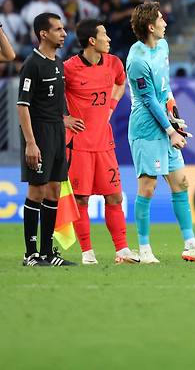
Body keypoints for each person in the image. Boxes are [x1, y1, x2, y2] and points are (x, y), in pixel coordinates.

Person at [126, 1, 195, 263]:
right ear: (150, 26)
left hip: (166, 126)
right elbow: (148, 100)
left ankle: (190, 246)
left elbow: (165, 90)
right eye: (161, 19)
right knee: (147, 188)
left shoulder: (163, 46)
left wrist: (176, 119)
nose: (166, 22)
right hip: (146, 129)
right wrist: (170, 130)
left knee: (181, 183)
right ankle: (144, 250)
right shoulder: (136, 60)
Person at [63, 19, 140, 265]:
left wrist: (111, 106)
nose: (109, 39)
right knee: (81, 200)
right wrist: (63, 118)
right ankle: (87, 254)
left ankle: (123, 251)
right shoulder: (68, 68)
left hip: (105, 144)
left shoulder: (114, 63)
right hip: (79, 146)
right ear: (92, 41)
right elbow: (45, 95)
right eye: (104, 35)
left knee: (115, 197)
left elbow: (121, 81)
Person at [17, 12, 74, 266]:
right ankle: (31, 254)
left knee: (53, 190)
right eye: (59, 30)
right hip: (38, 133)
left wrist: (65, 119)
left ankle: (48, 252)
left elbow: (58, 101)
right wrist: (30, 142)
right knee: (37, 190)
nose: (63, 34)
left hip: (56, 132)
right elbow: (22, 105)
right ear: (44, 33)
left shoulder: (58, 63)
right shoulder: (32, 64)